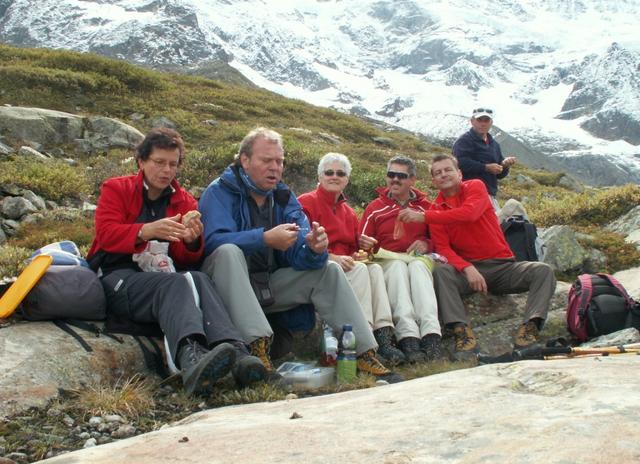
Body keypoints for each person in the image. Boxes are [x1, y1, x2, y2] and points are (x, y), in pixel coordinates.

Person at [199, 127, 400, 382]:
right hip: (223, 289)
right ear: (245, 160)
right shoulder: (219, 192)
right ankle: (257, 348)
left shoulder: (284, 197)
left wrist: (314, 249)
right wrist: (263, 238)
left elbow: (300, 254)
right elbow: (212, 242)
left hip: (266, 286)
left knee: (328, 270)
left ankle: (362, 353)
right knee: (228, 251)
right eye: (266, 160)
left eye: (279, 161)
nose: (275, 167)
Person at [87, 128, 267, 395]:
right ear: (142, 162)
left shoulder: (183, 200)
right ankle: (190, 359)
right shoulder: (117, 188)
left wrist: (192, 241)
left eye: (172, 164)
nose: (166, 170)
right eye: (159, 162)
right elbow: (105, 235)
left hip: (160, 276)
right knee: (174, 284)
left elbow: (184, 259)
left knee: (199, 278)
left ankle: (238, 354)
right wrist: (145, 230)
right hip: (118, 277)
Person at [398, 154, 556, 359]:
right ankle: (462, 334)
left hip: (503, 267)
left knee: (542, 271)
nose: (443, 175)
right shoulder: (436, 209)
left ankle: (530, 327)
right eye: (438, 173)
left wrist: (425, 216)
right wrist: (467, 268)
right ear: (433, 181)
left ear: (459, 173)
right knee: (443, 272)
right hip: (470, 272)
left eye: (448, 170)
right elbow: (444, 249)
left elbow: (469, 213)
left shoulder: (475, 187)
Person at [298, 153, 405, 365]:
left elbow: (352, 249)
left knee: (373, 269)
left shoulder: (348, 212)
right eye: (329, 172)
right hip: (318, 266)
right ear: (319, 176)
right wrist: (332, 257)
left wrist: (359, 251)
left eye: (340, 173)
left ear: (347, 179)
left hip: (344, 267)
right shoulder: (305, 203)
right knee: (361, 270)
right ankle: (358, 339)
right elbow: (300, 245)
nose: (334, 177)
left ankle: (383, 335)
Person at [358, 155, 443, 363]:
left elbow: (439, 239)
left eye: (401, 176)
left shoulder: (426, 207)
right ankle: (408, 337)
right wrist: (366, 244)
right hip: (388, 259)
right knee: (397, 268)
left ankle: (431, 336)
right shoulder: (374, 208)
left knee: (417, 269)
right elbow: (361, 240)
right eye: (391, 175)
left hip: (417, 258)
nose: (394, 180)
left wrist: (426, 244)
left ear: (413, 180)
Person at [452, 107, 516, 210]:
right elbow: (459, 163)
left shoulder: (494, 145)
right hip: (468, 193)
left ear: (491, 123)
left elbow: (499, 175)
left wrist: (505, 165)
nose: (483, 124)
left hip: (489, 194)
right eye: (479, 120)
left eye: (486, 120)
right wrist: (485, 167)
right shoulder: (464, 141)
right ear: (472, 121)